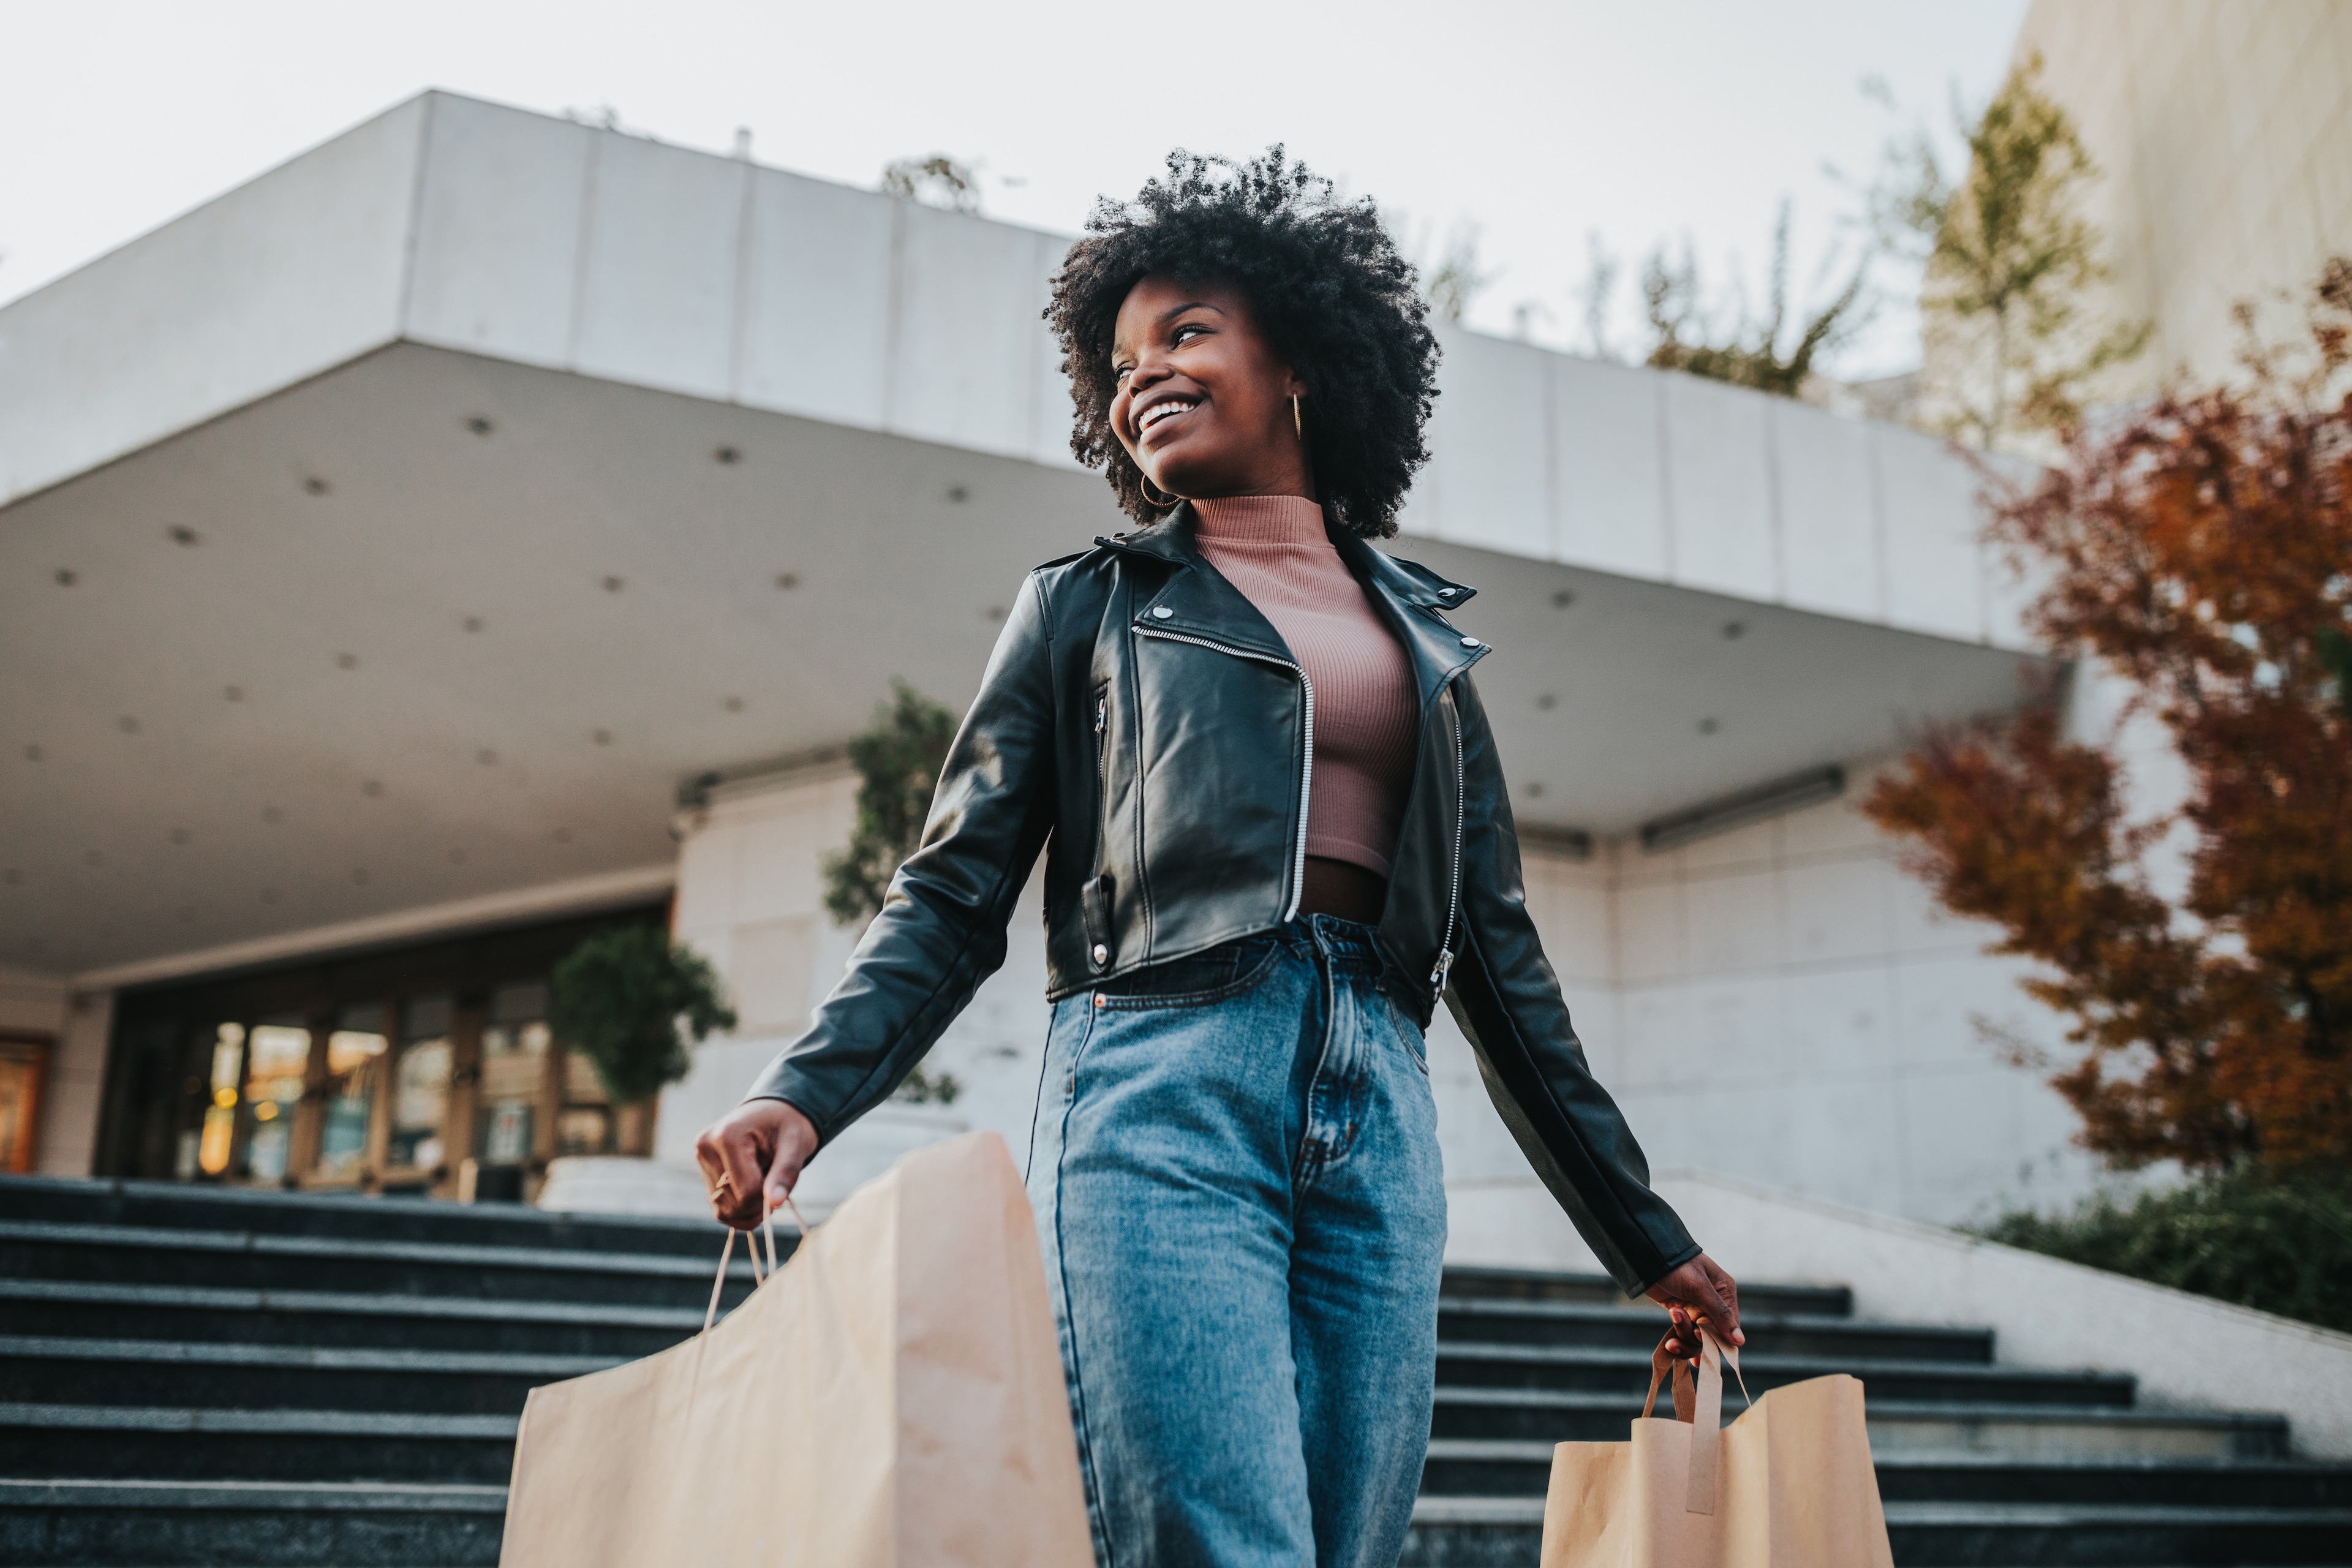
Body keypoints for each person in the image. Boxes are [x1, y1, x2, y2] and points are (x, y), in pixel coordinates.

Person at [698, 148, 1741, 1568]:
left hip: (1382, 1113)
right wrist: (804, 1089)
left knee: (1347, 1544)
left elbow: (1503, 965)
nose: (1146, 378)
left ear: (1299, 360)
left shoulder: (1428, 647)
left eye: (1184, 335)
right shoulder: (1083, 609)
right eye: (1122, 364)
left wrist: (1644, 1234)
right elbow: (950, 894)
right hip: (1158, 1091)